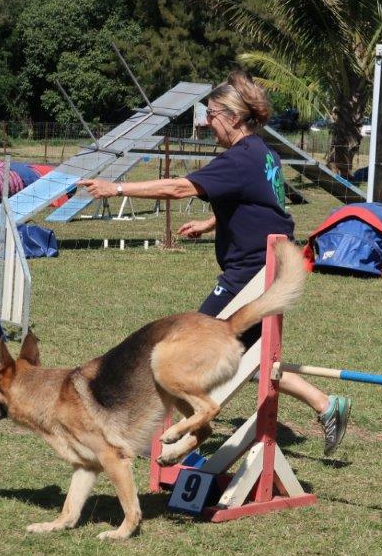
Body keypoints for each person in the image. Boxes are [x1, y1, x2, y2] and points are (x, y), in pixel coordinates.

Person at [80, 71, 351, 456]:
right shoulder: (264, 152)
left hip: (250, 272)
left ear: (235, 117)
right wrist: (212, 220)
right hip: (268, 263)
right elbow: (261, 203)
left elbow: (178, 187)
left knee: (187, 346)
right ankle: (326, 406)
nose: (207, 123)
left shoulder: (240, 158)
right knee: (252, 355)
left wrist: (116, 188)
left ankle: (166, 432)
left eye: (211, 114)